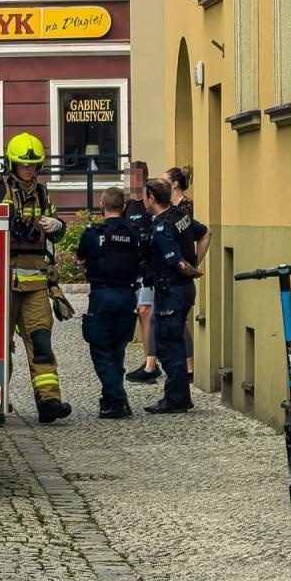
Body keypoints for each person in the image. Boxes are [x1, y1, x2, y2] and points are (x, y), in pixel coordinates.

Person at [0, 133, 72, 423]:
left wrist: (57, 225)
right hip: (0, 283)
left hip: (36, 282)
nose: (28, 170)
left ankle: (49, 402)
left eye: (33, 165)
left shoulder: (42, 194)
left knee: (41, 341)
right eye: (23, 165)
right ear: (12, 164)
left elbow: (57, 231)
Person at [141, 176, 207, 414]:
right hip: (180, 290)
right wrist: (195, 263)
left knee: (169, 344)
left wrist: (191, 269)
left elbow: (178, 263)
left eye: (144, 195)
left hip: (172, 290)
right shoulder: (181, 216)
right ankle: (178, 396)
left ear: (151, 198)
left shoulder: (162, 227)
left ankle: (176, 398)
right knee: (172, 339)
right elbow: (206, 233)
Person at [76, 186, 142, 419]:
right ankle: (110, 402)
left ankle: (119, 399)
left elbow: (81, 257)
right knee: (117, 351)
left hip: (102, 296)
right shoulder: (135, 233)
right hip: (127, 296)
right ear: (123, 207)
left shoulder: (93, 233)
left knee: (101, 351)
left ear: (101, 205)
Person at [165, 165, 213, 379]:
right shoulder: (170, 206)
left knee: (177, 320)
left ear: (174, 184)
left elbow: (193, 233)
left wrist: (193, 264)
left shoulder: (185, 207)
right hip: (173, 267)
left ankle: (188, 364)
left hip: (181, 268)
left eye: (165, 180)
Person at [123, 161, 161, 385]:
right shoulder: (128, 205)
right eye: (129, 178)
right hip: (134, 269)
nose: (132, 182)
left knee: (146, 311)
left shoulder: (149, 203)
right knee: (145, 313)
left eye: (135, 178)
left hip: (150, 267)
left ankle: (151, 364)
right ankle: (151, 361)